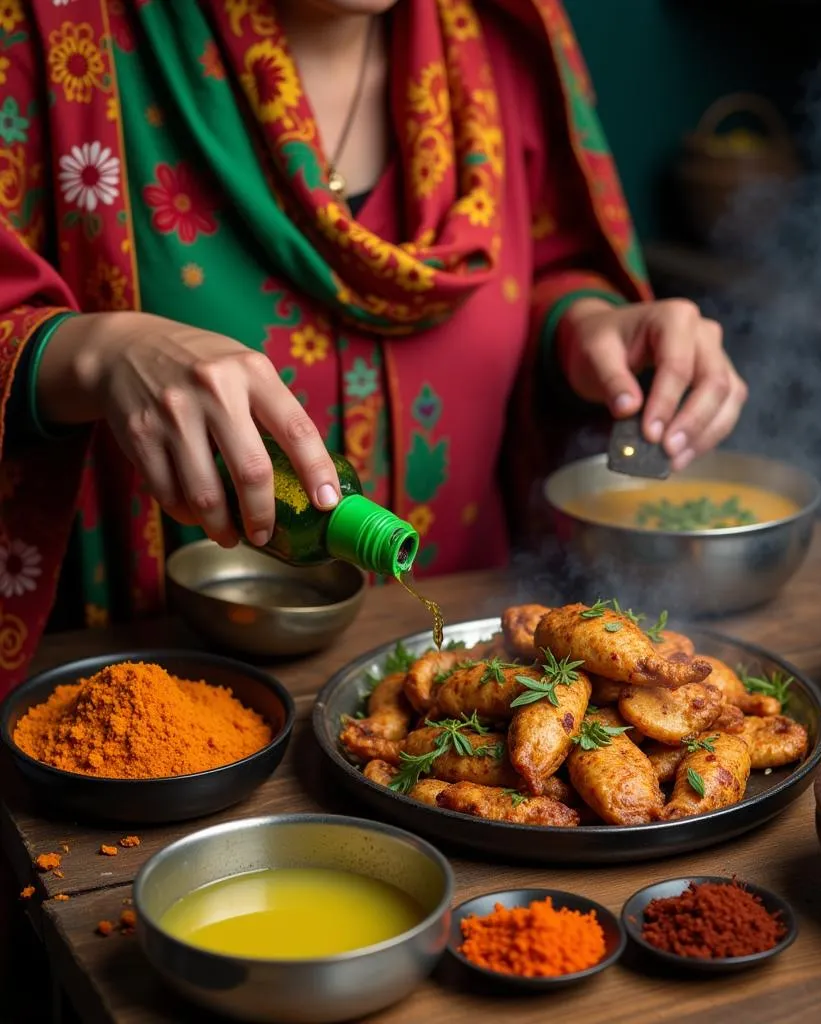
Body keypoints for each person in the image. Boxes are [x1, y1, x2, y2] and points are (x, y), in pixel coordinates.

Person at [0, 0, 747, 691]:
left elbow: (544, 264)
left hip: (478, 657)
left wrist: (584, 326)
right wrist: (92, 352)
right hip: (169, 695)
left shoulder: (498, 32)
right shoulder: (56, 32)